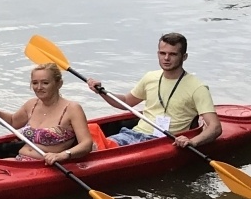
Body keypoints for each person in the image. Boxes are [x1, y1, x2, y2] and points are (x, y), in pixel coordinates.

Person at [86, 33, 220, 147]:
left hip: (162, 142)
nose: (166, 58)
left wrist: (192, 142)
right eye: (162, 53)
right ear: (158, 54)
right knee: (90, 133)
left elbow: (215, 127)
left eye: (173, 54)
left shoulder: (198, 88)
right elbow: (126, 101)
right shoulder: (150, 77)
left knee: (98, 147)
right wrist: (102, 92)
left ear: (184, 57)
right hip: (133, 134)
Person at [0, 63, 94, 164]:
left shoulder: (72, 109)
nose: (39, 87)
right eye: (35, 83)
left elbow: (86, 144)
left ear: (59, 84)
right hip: (20, 160)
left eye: (45, 83)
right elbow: (12, 122)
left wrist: (63, 155)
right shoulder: (31, 104)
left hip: (46, 166)